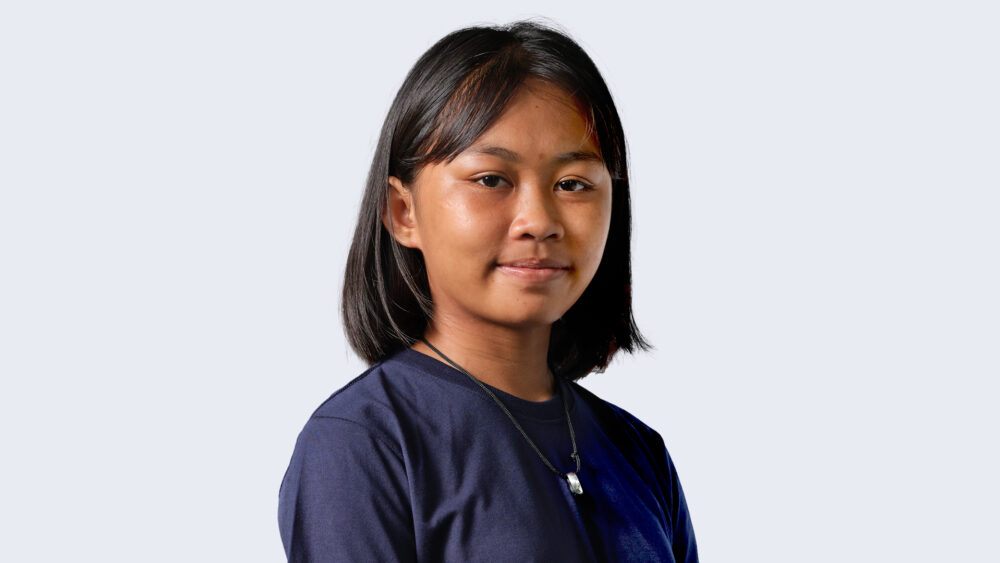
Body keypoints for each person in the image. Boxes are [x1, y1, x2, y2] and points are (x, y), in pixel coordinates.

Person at [278, 19, 699, 562]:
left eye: (572, 184)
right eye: (491, 180)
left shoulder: (639, 452)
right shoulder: (363, 441)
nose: (538, 221)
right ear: (403, 212)